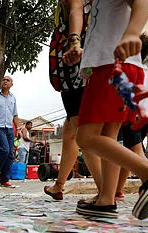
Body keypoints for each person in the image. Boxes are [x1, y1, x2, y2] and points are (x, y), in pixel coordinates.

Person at [74, 0, 148, 220]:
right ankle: (106, 200)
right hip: (120, 66)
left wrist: (132, 33)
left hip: (111, 67)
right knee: (107, 137)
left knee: (86, 137)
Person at [44, 0, 102, 201]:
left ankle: (108, 190)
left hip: (74, 63)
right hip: (87, 59)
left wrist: (74, 41)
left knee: (83, 134)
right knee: (71, 129)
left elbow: (76, 7)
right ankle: (59, 185)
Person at [115, 33, 148, 201]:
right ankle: (118, 190)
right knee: (130, 155)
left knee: (136, 155)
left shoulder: (129, 70)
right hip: (146, 118)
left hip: (132, 116)